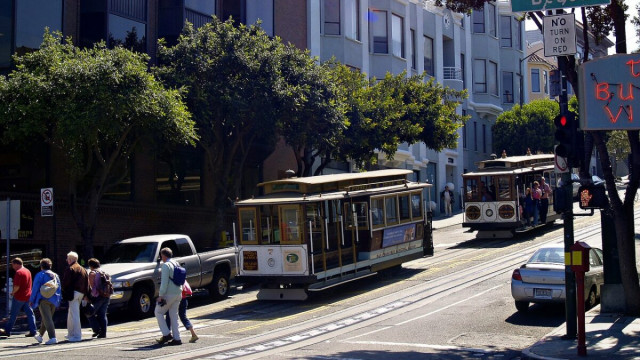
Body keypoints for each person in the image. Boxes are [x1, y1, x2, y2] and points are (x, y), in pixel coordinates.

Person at [0, 258, 37, 338]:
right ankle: (33, 331)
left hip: (19, 297)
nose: (12, 267)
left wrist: (13, 292)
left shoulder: (18, 272)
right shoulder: (28, 271)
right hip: (27, 296)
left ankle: (7, 330)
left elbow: (17, 286)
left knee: (13, 314)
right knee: (30, 314)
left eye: (13, 264)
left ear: (17, 264)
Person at [155, 247, 183, 346]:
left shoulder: (166, 265)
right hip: (178, 293)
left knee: (158, 312)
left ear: (163, 255)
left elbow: (164, 282)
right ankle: (177, 338)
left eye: (161, 256)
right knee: (174, 315)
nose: (161, 258)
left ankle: (166, 334)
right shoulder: (176, 263)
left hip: (169, 294)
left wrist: (161, 295)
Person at [30, 258, 61, 345]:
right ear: (50, 266)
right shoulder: (55, 275)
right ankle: (40, 335)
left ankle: (53, 337)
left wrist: (31, 300)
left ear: (41, 266)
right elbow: (59, 288)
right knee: (47, 317)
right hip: (54, 299)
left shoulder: (40, 275)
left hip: (43, 299)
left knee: (47, 318)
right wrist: (59, 300)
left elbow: (35, 288)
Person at [62, 251, 89, 342]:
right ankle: (71, 334)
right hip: (81, 293)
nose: (66, 260)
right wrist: (86, 294)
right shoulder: (83, 269)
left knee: (74, 314)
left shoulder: (70, 269)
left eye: (67, 259)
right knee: (72, 313)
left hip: (73, 293)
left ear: (70, 259)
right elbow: (87, 283)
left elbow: (65, 282)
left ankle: (77, 335)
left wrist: (63, 290)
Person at [86, 258, 110, 338]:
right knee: (102, 314)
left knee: (89, 313)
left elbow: (91, 287)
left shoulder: (92, 273)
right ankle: (103, 333)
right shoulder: (104, 272)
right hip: (106, 295)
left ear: (91, 266)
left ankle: (97, 330)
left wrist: (89, 297)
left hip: (97, 296)